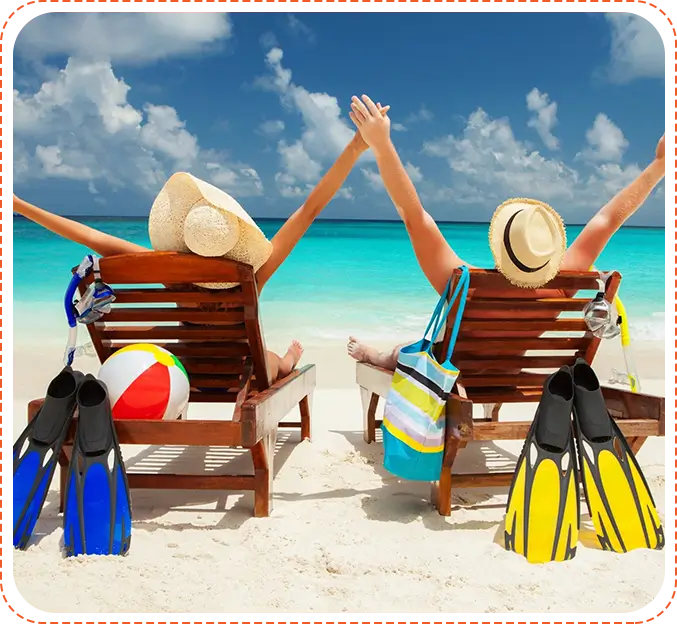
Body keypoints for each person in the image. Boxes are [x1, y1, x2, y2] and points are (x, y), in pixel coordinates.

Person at [11, 103, 390, 383]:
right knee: (273, 360)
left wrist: (19, 205)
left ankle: (279, 358)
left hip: (186, 369)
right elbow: (309, 210)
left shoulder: (170, 272)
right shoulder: (251, 274)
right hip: (243, 371)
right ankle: (289, 360)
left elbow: (96, 239)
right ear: (235, 241)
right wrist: (356, 147)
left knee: (166, 336)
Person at [345, 93, 668, 370]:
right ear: (547, 252)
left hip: (457, 374)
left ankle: (373, 355)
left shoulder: (466, 284)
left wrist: (382, 144)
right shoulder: (563, 286)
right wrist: (659, 166)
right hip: (509, 370)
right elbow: (606, 220)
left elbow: (414, 216)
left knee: (407, 350)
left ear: (501, 245)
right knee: (427, 344)